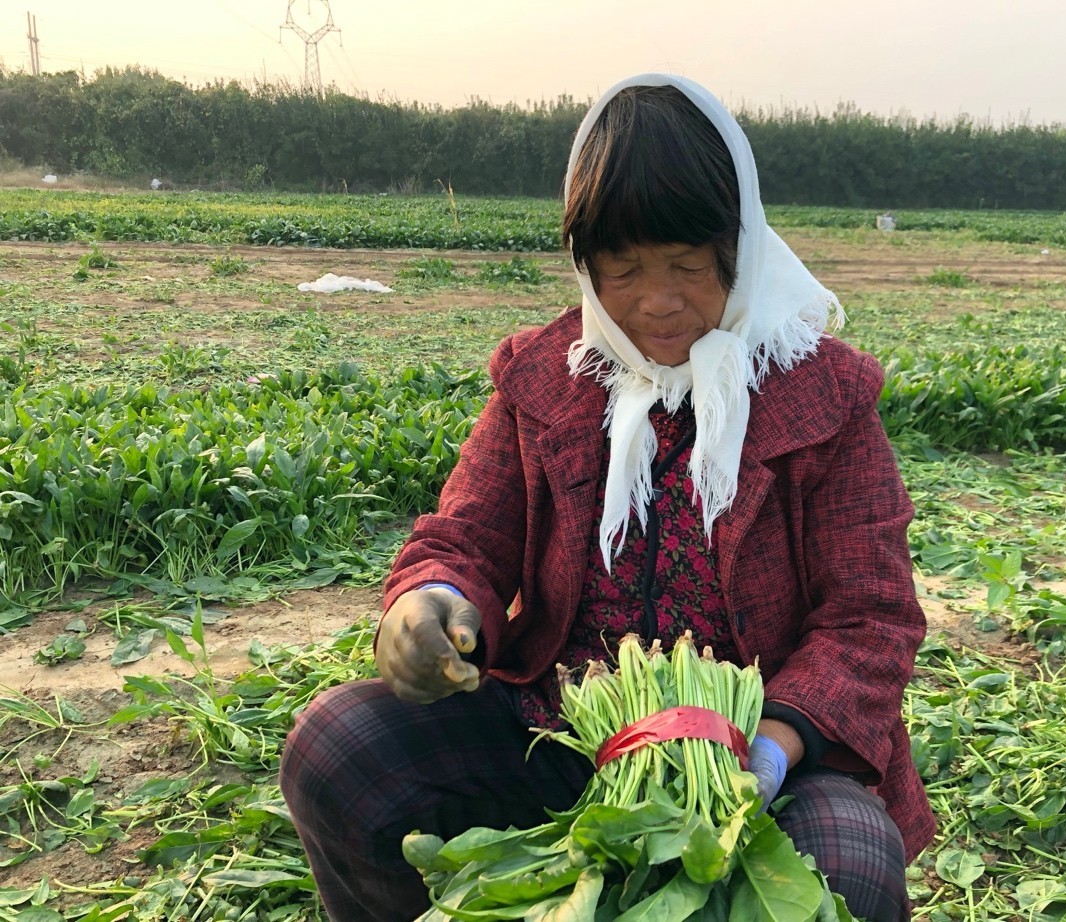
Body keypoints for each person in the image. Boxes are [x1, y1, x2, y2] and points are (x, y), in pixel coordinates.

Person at [279, 72, 935, 922]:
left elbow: (870, 619)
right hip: (558, 731)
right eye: (623, 271)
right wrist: (429, 600)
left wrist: (768, 749)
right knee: (341, 751)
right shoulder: (548, 376)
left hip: (759, 756)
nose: (658, 304)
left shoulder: (822, 397)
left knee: (850, 868)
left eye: (689, 267)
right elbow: (465, 534)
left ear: (739, 250)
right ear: (585, 268)